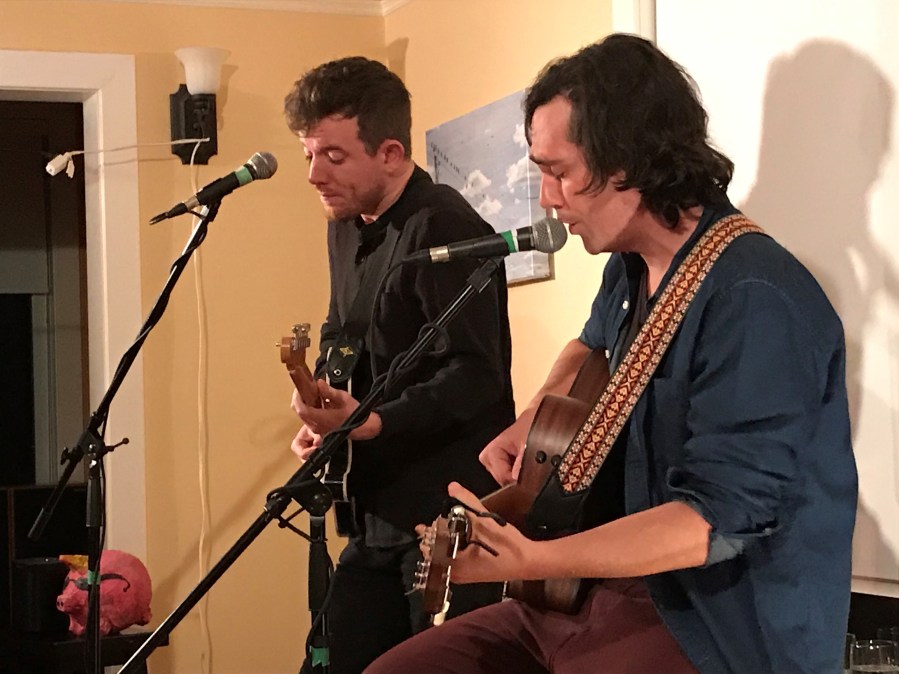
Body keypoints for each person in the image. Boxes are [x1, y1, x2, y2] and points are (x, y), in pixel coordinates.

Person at [365, 34, 858, 674]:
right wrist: (534, 417)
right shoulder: (628, 269)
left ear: (629, 158)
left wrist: (536, 559)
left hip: (713, 625)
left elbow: (712, 520)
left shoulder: (754, 297)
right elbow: (590, 346)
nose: (547, 197)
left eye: (560, 172)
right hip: (586, 594)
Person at [282, 56, 514, 674]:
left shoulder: (445, 223)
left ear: (390, 153)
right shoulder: (344, 225)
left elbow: (477, 372)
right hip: (374, 511)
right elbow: (342, 330)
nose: (313, 174)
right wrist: (323, 409)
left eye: (333, 156)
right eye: (309, 154)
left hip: (446, 519)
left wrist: (375, 422)